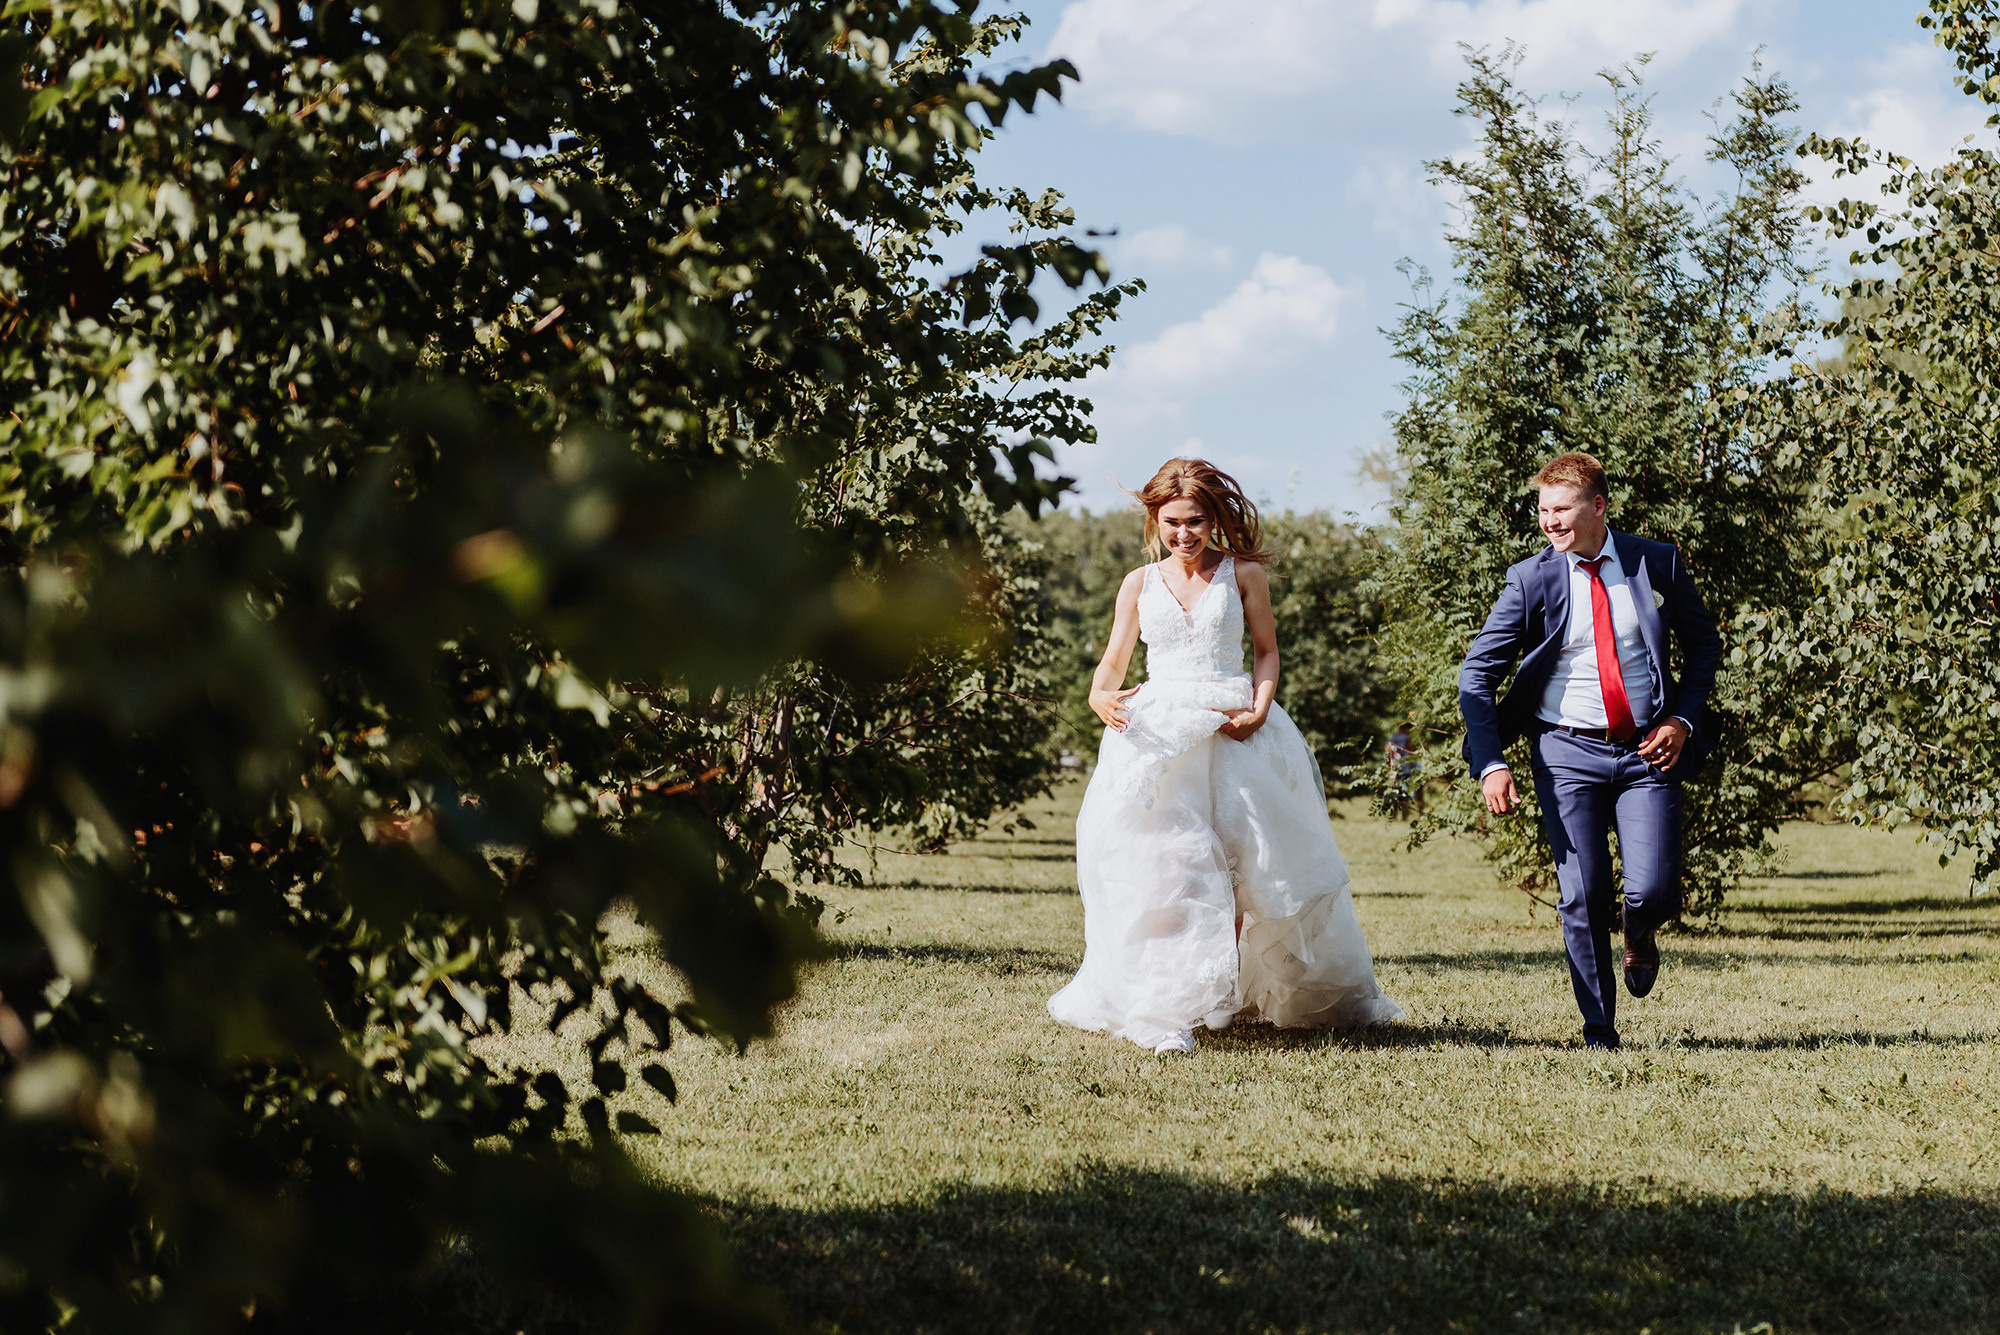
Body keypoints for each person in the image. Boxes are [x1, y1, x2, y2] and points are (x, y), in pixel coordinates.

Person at [1048, 458, 1403, 1055]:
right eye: (1172, 523)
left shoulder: (1242, 575)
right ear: (1154, 520)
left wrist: (1260, 708)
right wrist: (1096, 693)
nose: (1184, 534)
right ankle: (1169, 1007)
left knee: (1249, 865)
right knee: (1170, 865)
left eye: (1196, 521)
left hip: (1233, 723)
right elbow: (1114, 660)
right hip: (1160, 733)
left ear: (1214, 519)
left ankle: (1225, 997)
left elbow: (1266, 652)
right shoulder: (1138, 583)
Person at [1458, 452, 1722, 1050]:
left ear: (1598, 506)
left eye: (1562, 510)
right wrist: (1492, 760)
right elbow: (1476, 677)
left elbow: (1705, 646)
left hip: (1646, 752)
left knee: (1652, 890)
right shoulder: (1532, 579)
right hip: (1565, 752)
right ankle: (1600, 1030)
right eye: (1543, 511)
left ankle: (1638, 931)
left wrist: (1681, 717)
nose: (1550, 522)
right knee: (1581, 893)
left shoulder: (1655, 562)